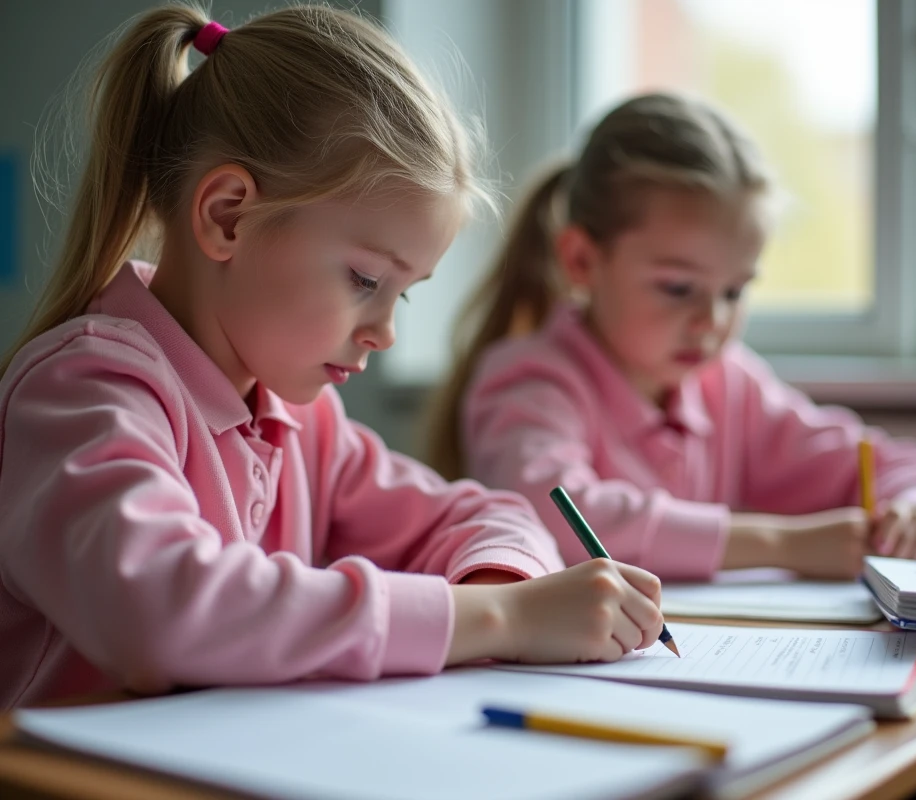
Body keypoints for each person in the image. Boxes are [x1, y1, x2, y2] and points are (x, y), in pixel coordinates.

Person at [0, 7, 666, 710]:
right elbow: (164, 610)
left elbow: (483, 515)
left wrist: (500, 586)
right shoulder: (82, 392)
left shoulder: (299, 422)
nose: (384, 333)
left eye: (402, 296)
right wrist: (501, 620)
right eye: (365, 281)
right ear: (229, 216)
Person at [428, 92, 916, 581]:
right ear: (582, 261)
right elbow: (556, 514)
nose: (712, 320)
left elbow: (888, 465)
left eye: (734, 291)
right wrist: (779, 544)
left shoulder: (730, 383)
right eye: (679, 287)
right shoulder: (529, 380)